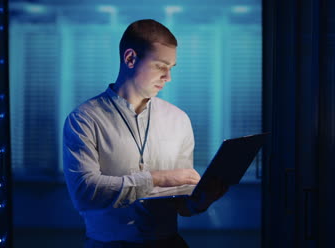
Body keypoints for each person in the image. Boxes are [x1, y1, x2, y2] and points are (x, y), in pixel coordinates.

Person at [63, 19, 227, 248]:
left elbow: (181, 205)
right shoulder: (84, 119)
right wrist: (159, 178)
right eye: (161, 66)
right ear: (130, 58)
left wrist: (202, 200)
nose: (168, 77)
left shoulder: (179, 119)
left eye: (171, 68)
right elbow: (84, 193)